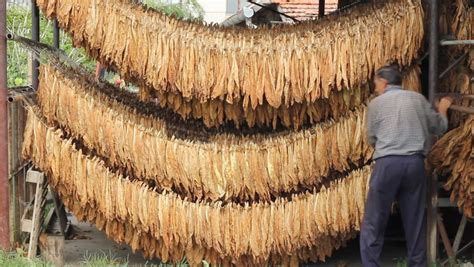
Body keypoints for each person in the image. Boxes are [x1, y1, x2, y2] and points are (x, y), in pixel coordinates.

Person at [360, 66, 453, 267]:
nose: (375, 87)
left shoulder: (376, 104)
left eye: (376, 83)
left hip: (387, 164)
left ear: (384, 82)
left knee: (374, 220)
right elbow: (439, 127)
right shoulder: (418, 99)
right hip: (414, 164)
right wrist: (443, 110)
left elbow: (371, 138)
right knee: (415, 220)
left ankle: (371, 264)